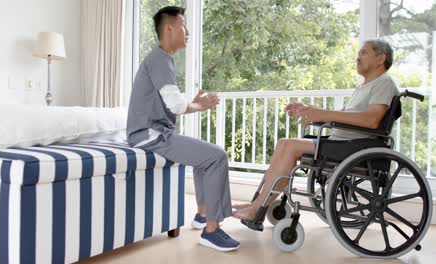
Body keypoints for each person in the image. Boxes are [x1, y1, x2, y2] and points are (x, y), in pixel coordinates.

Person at [233, 39, 399, 221]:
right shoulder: (365, 86)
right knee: (283, 143)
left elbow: (371, 120)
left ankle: (258, 208)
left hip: (354, 146)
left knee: (289, 146)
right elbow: (343, 116)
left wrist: (323, 114)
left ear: (380, 58)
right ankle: (257, 203)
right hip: (341, 142)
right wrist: (309, 110)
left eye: (363, 53)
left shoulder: (384, 83)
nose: (357, 58)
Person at [126, 6, 239, 251]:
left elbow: (171, 101)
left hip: (152, 133)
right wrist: (199, 104)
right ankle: (211, 230)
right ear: (169, 28)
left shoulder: (161, 59)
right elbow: (176, 105)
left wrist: (194, 101)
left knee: (204, 158)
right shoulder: (160, 59)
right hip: (150, 135)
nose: (187, 31)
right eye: (184, 26)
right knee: (217, 156)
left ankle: (202, 216)